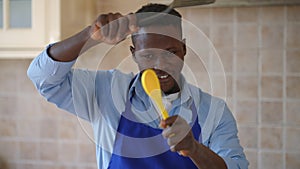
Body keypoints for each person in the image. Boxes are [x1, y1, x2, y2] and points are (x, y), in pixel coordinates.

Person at [27, 3, 248, 169]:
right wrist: (90, 35)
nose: (161, 64)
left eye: (171, 52)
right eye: (149, 55)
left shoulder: (214, 112)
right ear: (133, 54)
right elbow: (42, 77)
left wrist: (195, 149)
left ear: (184, 49)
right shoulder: (106, 92)